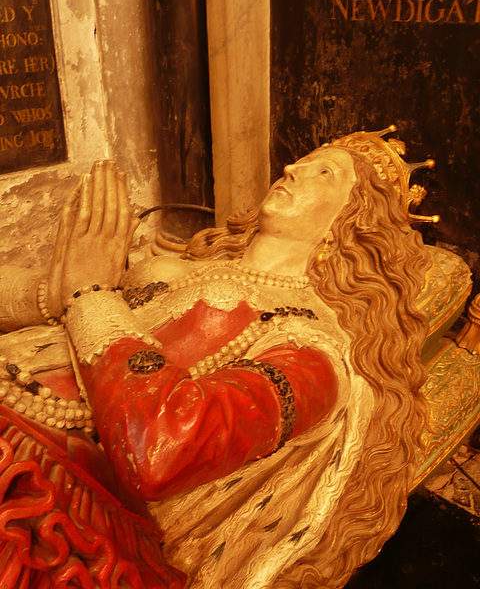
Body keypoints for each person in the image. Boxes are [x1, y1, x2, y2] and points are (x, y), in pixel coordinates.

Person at [0, 127, 431, 589]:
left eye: (323, 173)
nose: (290, 169)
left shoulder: (312, 353)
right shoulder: (175, 268)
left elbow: (161, 450)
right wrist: (59, 287)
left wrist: (89, 294)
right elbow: (55, 299)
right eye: (301, 161)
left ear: (352, 219)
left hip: (57, 489)